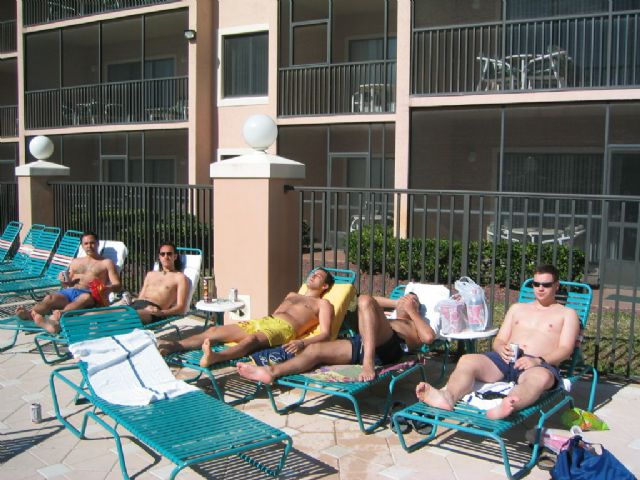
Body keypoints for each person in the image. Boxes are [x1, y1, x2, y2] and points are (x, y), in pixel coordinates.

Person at [415, 264, 580, 420]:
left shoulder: (567, 314)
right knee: (467, 360)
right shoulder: (517, 308)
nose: (540, 288)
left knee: (540, 378)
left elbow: (566, 349)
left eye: (546, 284)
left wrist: (538, 361)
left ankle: (508, 404)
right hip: (506, 358)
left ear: (556, 285)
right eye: (536, 284)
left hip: (538, 364)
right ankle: (448, 396)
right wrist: (501, 347)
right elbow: (499, 340)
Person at [237, 288, 438, 383]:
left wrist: (412, 311)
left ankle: (368, 362)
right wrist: (397, 304)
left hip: (391, 346)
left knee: (366, 300)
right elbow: (362, 301)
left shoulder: (415, 323)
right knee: (315, 350)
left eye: (413, 300)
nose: (407, 301)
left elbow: (428, 338)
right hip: (363, 343)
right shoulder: (386, 317)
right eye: (404, 298)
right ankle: (272, 372)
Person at [158, 268, 336, 368]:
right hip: (265, 321)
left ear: (325, 286)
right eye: (313, 273)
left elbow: (326, 334)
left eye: (318, 276)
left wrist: (302, 343)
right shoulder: (292, 294)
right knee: (214, 330)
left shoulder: (323, 304)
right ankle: (174, 345)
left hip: (284, 329)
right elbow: (276, 313)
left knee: (252, 340)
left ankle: (216, 357)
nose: (313, 275)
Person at [15, 231, 121, 333]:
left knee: (85, 297)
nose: (89, 246)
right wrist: (63, 280)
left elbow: (118, 285)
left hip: (90, 294)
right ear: (82, 246)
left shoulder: (106, 263)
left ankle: (57, 319)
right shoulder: (75, 262)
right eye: (86, 243)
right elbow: (67, 283)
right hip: (69, 292)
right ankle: (30, 314)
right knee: (50, 298)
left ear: (98, 244)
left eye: (92, 243)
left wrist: (109, 288)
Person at [121, 242, 190, 324]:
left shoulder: (180, 278)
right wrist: (129, 300)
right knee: (108, 314)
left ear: (175, 256)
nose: (166, 256)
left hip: (153, 311)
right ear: (159, 257)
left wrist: (161, 313)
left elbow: (181, 308)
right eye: (162, 254)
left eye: (169, 254)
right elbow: (140, 297)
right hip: (136, 305)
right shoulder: (150, 274)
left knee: (125, 318)